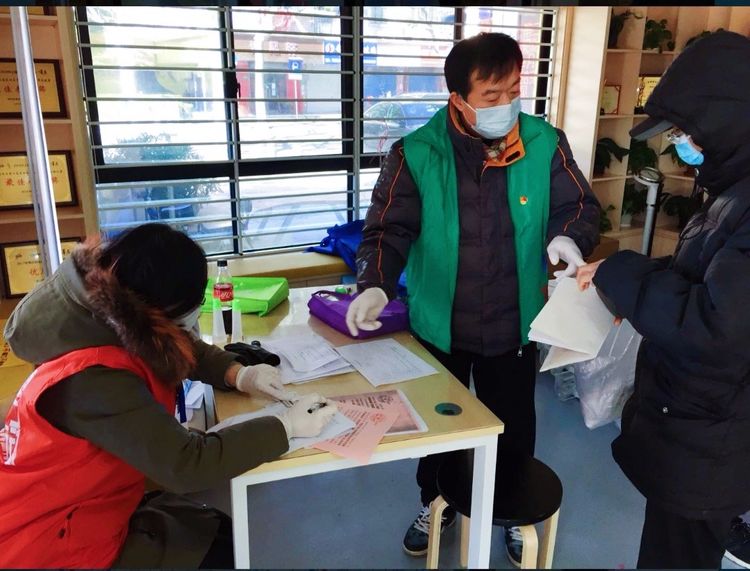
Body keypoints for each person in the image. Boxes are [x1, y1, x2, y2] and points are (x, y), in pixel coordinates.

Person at [346, 32, 600, 564]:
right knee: (440, 425)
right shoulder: (417, 153)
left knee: (512, 423)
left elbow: (577, 204)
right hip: (440, 323)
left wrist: (567, 237)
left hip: (515, 319)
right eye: (491, 95)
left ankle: (511, 508)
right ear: (458, 98)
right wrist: (375, 283)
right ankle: (435, 502)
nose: (506, 104)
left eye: (514, 89)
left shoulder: (544, 142)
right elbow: (388, 230)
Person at [0, 223, 338, 569]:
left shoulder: (95, 312)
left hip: (89, 505)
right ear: (158, 307)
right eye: (191, 307)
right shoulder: (95, 380)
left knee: (233, 534)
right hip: (52, 546)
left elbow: (167, 342)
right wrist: (284, 426)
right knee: (244, 550)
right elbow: (186, 466)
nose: (192, 318)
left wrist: (237, 373)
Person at [576, 31, 750, 570]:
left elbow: (716, 322)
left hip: (711, 436)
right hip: (697, 425)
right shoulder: (732, 188)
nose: (680, 145)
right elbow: (702, 279)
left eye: (685, 132)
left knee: (678, 555)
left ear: (724, 121)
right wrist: (620, 278)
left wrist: (623, 274)